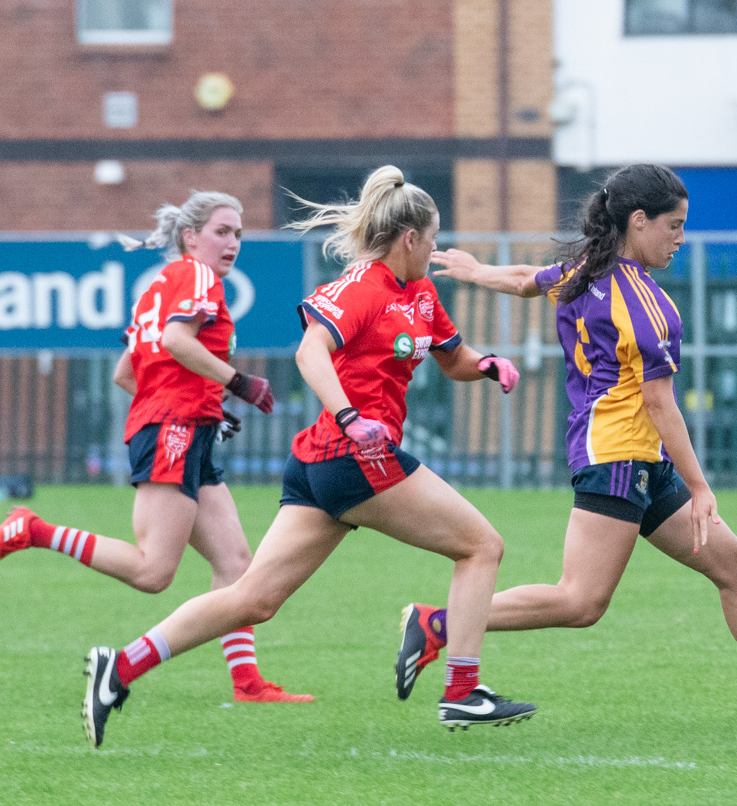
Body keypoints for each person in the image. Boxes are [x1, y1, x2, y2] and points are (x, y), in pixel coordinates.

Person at [397, 164, 737, 731]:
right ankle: (438, 624)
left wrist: (476, 271)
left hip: (640, 458)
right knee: (580, 602)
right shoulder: (647, 308)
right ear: (638, 221)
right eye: (674, 225)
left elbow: (527, 279)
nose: (681, 238)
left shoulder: (584, 271)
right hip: (618, 457)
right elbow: (661, 403)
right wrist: (699, 487)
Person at [80, 166, 536, 748]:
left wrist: (488, 364)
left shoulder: (418, 292)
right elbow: (309, 350)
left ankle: (119, 668)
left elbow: (452, 357)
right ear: (410, 239)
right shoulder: (362, 285)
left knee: (254, 599)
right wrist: (349, 414)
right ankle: (463, 692)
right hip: (354, 456)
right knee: (482, 546)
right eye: (434, 236)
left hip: (328, 467)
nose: (437, 248)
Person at [0, 191, 313, 705]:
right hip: (173, 431)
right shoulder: (198, 277)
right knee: (154, 571)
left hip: (186, 426)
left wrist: (209, 404)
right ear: (191, 237)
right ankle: (35, 530)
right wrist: (237, 383)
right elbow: (179, 342)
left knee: (236, 564)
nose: (233, 244)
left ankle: (248, 685)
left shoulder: (161, 284)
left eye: (239, 234)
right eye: (222, 232)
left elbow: (126, 372)